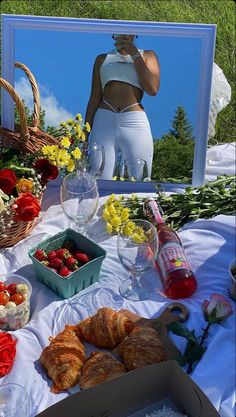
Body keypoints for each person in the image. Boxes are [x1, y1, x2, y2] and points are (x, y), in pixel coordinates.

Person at [85, 34, 160, 180]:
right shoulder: (102, 59)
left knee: (138, 178)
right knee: (99, 176)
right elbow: (94, 97)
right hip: (104, 120)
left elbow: (153, 89)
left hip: (134, 122)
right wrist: (84, 134)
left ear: (135, 34)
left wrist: (135, 55)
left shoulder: (148, 55)